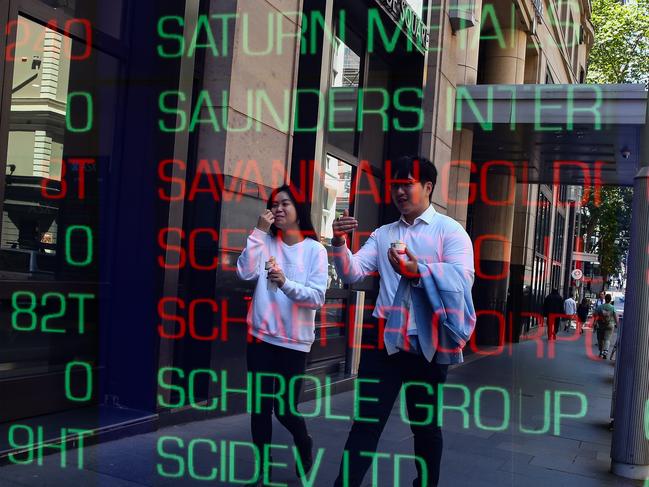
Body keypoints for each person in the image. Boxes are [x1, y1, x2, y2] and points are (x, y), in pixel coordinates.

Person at [330, 156, 476, 487]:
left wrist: (418, 270)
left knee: (424, 427)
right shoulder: (384, 234)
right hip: (383, 341)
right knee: (366, 422)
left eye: (406, 184)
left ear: (427, 187)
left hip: (427, 343)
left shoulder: (450, 231)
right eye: (395, 185)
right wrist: (338, 243)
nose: (399, 191)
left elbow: (462, 280)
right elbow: (352, 272)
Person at [236, 184, 328, 485]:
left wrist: (286, 283)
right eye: (273, 204)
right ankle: (263, 470)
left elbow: (316, 297)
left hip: (294, 343)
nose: (278, 209)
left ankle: (303, 441)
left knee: (286, 409)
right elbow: (245, 273)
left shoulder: (315, 250)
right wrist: (258, 232)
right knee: (260, 409)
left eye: (285, 204)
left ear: (298, 209)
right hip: (261, 337)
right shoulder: (265, 241)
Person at [594, 293, 618, 359]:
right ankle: (605, 351)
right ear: (610, 300)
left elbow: (595, 315)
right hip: (610, 325)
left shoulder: (600, 307)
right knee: (607, 339)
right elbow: (616, 317)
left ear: (605, 299)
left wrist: (595, 323)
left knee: (600, 339)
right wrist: (617, 325)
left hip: (601, 325)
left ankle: (601, 351)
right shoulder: (612, 308)